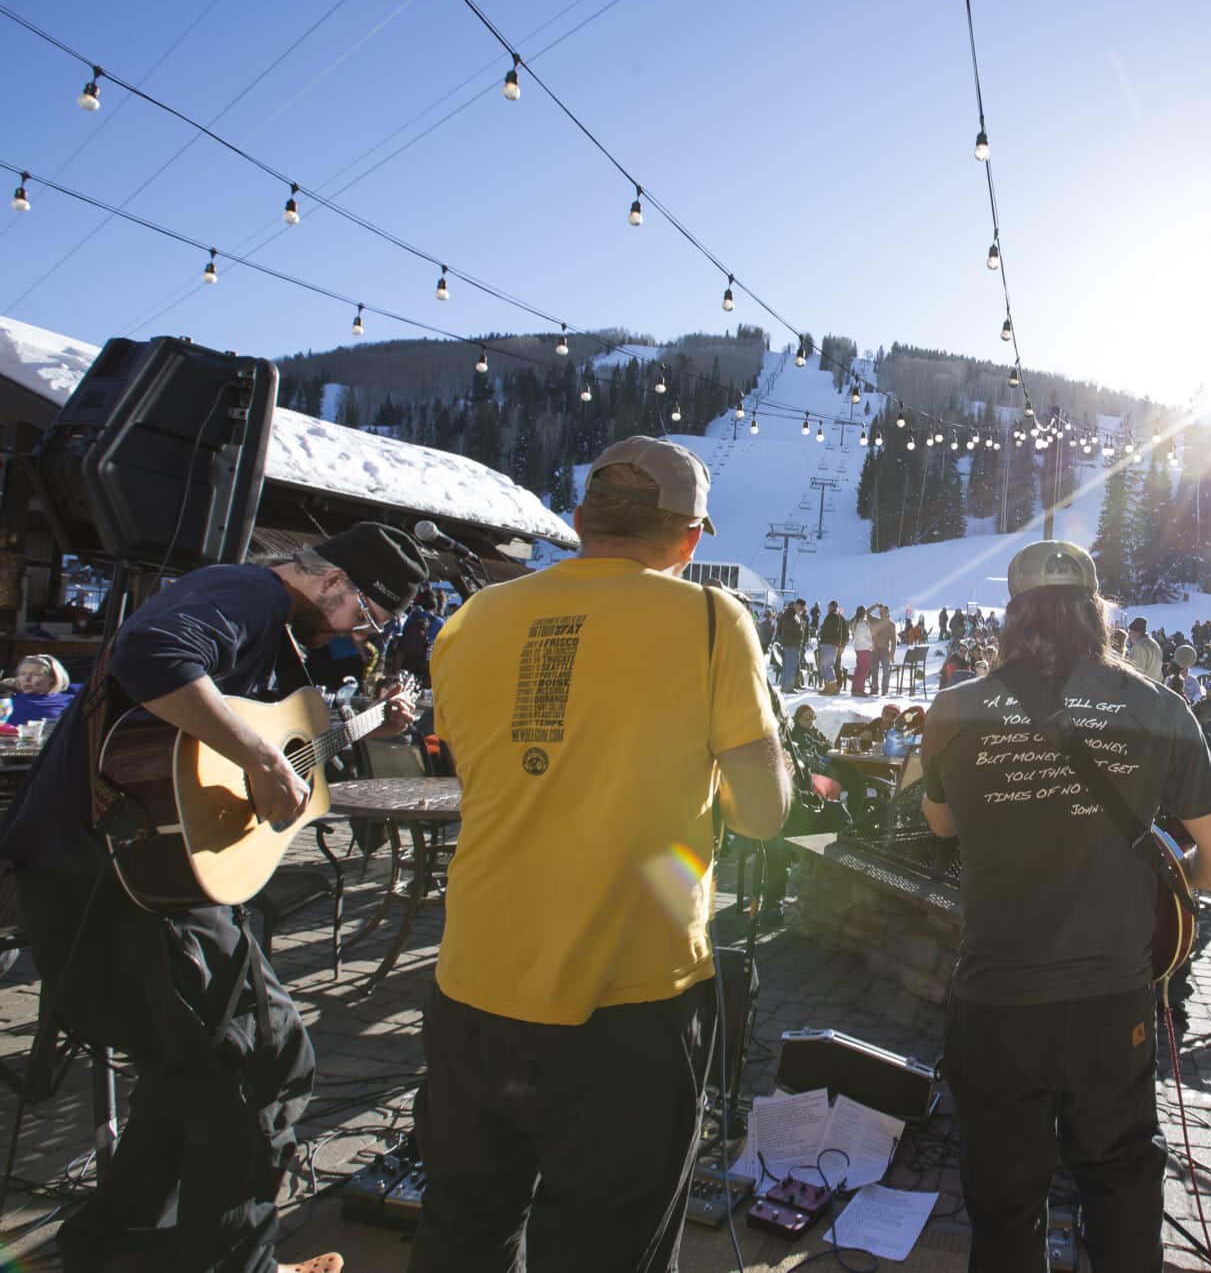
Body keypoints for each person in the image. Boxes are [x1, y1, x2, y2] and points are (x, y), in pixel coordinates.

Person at [1, 523, 425, 1273]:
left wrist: (367, 725)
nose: (358, 635)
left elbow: (293, 747)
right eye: (362, 616)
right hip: (111, 882)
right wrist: (259, 753)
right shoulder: (247, 591)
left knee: (191, 1074)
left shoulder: (267, 626)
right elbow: (150, 653)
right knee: (266, 1063)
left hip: (132, 874)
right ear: (331, 583)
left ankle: (111, 1248)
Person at [412, 436, 790, 1270]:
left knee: (461, 1229)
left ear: (580, 522)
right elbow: (762, 815)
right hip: (629, 999)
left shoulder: (471, 620)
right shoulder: (708, 618)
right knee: (606, 1248)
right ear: (690, 539)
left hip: (473, 983)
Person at [921, 541, 1211, 1271]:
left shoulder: (954, 708)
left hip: (997, 995)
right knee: (1121, 1188)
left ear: (1011, 617)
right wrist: (1172, 882)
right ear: (1097, 613)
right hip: (1112, 1001)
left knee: (1004, 1208)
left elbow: (940, 824)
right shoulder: (1159, 707)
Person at [4, 652, 81, 724]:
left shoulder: (71, 701)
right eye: (22, 674)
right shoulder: (7, 700)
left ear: (53, 678)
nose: (26, 679)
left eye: (36, 674)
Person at [775, 599, 807, 692]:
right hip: (791, 644)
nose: (801, 610)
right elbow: (790, 629)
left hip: (790, 643)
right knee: (790, 667)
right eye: (801, 608)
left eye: (802, 609)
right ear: (796, 605)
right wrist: (801, 627)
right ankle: (788, 687)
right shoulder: (791, 615)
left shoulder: (791, 614)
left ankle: (785, 686)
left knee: (787, 666)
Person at [817, 598, 847, 694]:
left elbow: (833, 630)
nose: (828, 608)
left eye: (829, 606)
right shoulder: (833, 616)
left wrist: (823, 633)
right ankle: (829, 687)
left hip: (830, 643)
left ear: (832, 607)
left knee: (828, 666)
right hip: (830, 643)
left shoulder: (833, 617)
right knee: (826, 666)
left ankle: (833, 687)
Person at [1124, 614, 1163, 682]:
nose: (1129, 634)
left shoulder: (1140, 646)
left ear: (1137, 632)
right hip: (1155, 685)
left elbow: (1136, 672)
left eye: (1130, 632)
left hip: (1144, 687)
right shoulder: (1155, 643)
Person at [850, 602, 874, 697]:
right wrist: (871, 644)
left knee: (859, 669)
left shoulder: (856, 623)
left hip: (859, 648)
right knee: (864, 669)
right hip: (864, 648)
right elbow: (863, 637)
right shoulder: (862, 624)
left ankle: (855, 688)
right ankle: (859, 689)